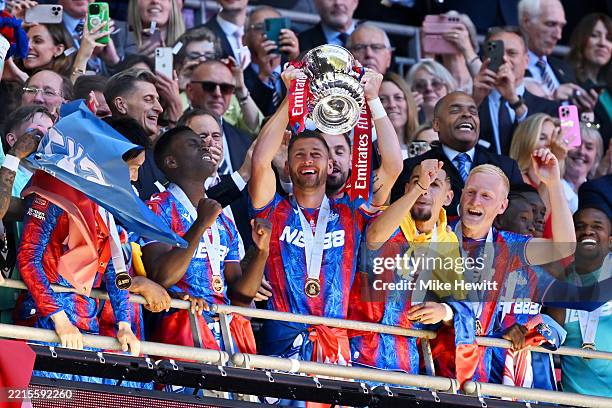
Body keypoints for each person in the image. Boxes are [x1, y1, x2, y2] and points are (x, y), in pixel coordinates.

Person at [249, 66, 378, 367]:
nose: (307, 160)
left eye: (316, 154)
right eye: (299, 154)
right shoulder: (273, 209)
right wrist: (290, 96)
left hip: (336, 346)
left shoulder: (348, 212)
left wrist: (373, 100)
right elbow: (259, 160)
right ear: (287, 166)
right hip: (281, 341)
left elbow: (391, 167)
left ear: (329, 164)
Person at [141, 126, 269, 366]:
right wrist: (200, 224)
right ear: (171, 162)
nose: (205, 146)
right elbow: (160, 277)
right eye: (193, 144)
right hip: (181, 331)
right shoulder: (156, 208)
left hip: (228, 335)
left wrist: (262, 252)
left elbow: (240, 295)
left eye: (204, 143)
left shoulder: (224, 219)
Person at [453, 158, 576, 385]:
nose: (475, 201)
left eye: (486, 196)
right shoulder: (438, 233)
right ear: (461, 195)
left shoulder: (511, 246)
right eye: (471, 192)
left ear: (502, 206)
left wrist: (554, 184)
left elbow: (564, 246)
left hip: (487, 375)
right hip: (437, 370)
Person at [349, 160, 464, 374]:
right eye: (419, 181)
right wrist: (418, 189)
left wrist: (444, 310)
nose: (425, 189)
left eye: (434, 184)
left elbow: (458, 305)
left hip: (405, 365)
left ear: (448, 197)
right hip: (358, 355)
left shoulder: (447, 242)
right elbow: (373, 238)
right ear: (406, 189)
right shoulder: (388, 219)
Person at [392, 92, 524, 217]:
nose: (467, 115)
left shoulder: (507, 167)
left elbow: (517, 216)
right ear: (437, 124)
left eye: (473, 112)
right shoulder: (413, 167)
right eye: (455, 110)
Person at [472, 26, 559, 155]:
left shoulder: (550, 109)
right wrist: (474, 101)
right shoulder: (473, 103)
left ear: (526, 61)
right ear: (485, 59)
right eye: (497, 53)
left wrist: (514, 101)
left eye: (511, 53)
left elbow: (563, 154)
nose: (505, 59)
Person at [177, 108, 252, 254]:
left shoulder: (240, 188)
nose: (210, 142)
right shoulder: (174, 189)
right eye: (202, 136)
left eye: (216, 136)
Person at [555, 206, 611, 397]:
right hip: (573, 401)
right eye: (580, 226)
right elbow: (550, 333)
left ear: (610, 241)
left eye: (597, 226)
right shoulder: (560, 278)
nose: (587, 231)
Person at [518, 0, 598, 112]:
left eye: (561, 26)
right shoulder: (512, 68)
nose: (558, 35)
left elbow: (593, 127)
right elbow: (513, 122)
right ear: (526, 22)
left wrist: (588, 113)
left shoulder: (565, 68)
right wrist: (552, 99)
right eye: (550, 24)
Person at [104, 68, 167, 200]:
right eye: (148, 99)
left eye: (157, 100)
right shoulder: (100, 154)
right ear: (121, 105)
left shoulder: (157, 158)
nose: (159, 108)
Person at [185, 60, 254, 176]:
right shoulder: (173, 134)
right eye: (209, 86)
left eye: (225, 88)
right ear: (190, 90)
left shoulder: (245, 141)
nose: (218, 94)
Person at [509, 113, 575, 213]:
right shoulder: (518, 179)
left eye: (554, 138)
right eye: (542, 138)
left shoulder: (558, 184)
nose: (552, 144)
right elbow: (537, 219)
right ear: (526, 142)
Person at [243, 6, 300, 116]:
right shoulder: (240, 77)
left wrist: (297, 61)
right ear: (245, 39)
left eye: (274, 27)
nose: (267, 34)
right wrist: (263, 77)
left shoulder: (296, 64)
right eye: (260, 27)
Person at [566, 13, 612, 148]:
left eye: (609, 38)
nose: (602, 43)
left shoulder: (608, 89)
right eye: (595, 35)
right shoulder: (569, 84)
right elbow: (572, 137)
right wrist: (589, 119)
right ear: (581, 40)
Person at [379, 72, 418, 160]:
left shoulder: (423, 144)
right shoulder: (366, 152)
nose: (392, 105)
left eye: (398, 98)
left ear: (408, 103)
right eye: (382, 100)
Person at [406, 59, 457, 125]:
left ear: (448, 88)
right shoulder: (404, 126)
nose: (429, 89)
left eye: (435, 83)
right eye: (420, 85)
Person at [563, 122, 604, 194]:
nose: (581, 151)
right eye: (576, 145)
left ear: (596, 156)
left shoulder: (598, 192)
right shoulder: (550, 186)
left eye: (589, 147)